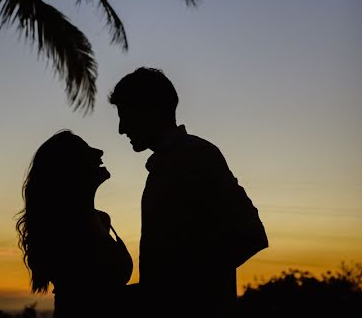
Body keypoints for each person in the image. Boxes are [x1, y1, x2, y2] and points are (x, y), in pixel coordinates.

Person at [109, 67, 268, 317]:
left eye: (125, 116)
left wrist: (180, 292)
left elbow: (251, 234)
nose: (121, 129)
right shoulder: (165, 166)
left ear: (151, 111)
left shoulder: (198, 157)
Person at [16, 130, 133, 317]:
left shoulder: (102, 219)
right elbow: (90, 299)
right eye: (86, 150)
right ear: (70, 169)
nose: (99, 152)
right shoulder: (65, 230)